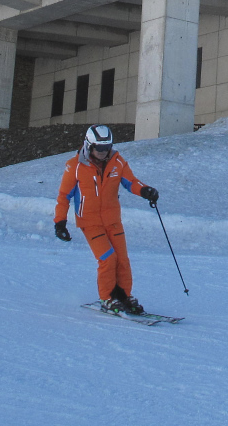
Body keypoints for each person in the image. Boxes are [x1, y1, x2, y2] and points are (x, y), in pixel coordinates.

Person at [54, 125, 158, 314]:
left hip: (113, 220)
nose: (103, 153)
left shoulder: (118, 162)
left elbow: (131, 182)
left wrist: (145, 190)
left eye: (106, 148)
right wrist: (60, 223)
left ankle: (124, 296)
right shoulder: (75, 166)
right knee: (108, 259)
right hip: (90, 222)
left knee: (122, 260)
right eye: (99, 148)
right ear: (88, 145)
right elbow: (64, 196)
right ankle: (107, 298)